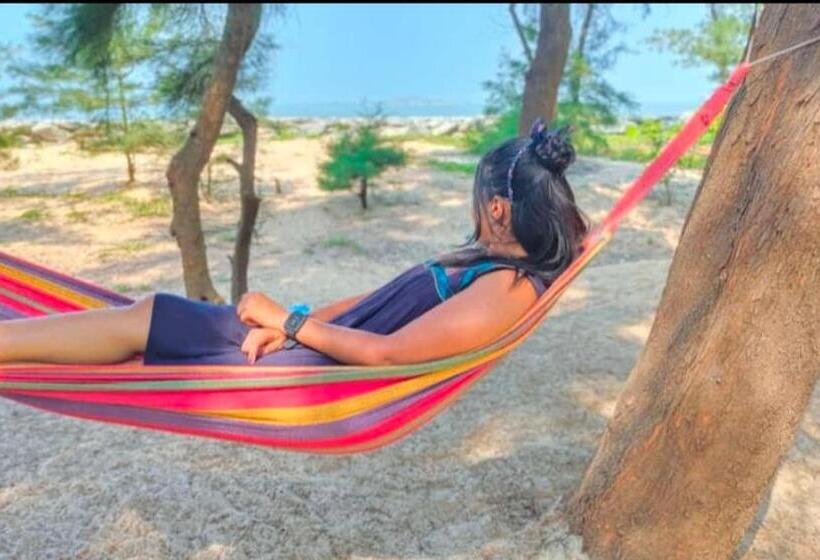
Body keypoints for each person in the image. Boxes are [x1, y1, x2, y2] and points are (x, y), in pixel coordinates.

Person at [0, 120, 587, 367]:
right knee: (147, 322)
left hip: (313, 367)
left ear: (497, 208)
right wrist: (290, 320)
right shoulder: (489, 264)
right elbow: (376, 301)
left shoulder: (506, 287)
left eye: (476, 199)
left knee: (150, 315)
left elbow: (388, 352)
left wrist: (290, 324)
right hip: (303, 341)